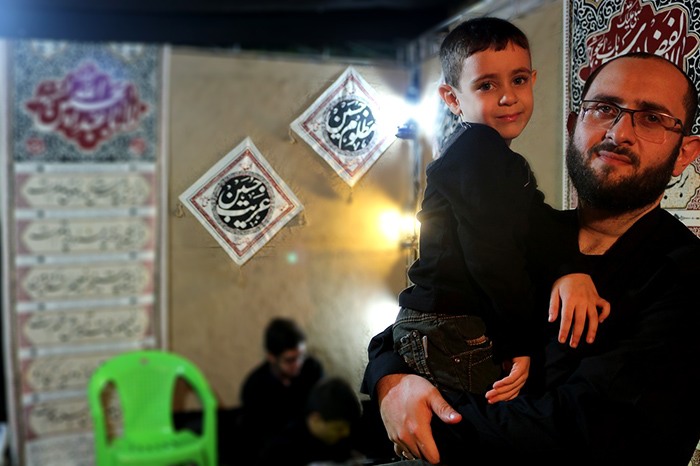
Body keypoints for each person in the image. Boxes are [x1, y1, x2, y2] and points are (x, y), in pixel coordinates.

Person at [362, 51, 700, 465]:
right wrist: (392, 386)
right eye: (604, 109)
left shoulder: (685, 275)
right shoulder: (525, 232)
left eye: (651, 118)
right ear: (575, 126)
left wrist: (427, 419)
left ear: (685, 153)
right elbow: (412, 319)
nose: (619, 132)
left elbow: (585, 431)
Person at [390, 16, 609, 409]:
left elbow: (535, 218)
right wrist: (519, 342)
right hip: (452, 325)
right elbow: (492, 254)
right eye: (487, 85)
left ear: (534, 80)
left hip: (439, 323)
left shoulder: (494, 158)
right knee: (489, 430)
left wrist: (570, 269)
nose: (508, 97)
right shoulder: (477, 153)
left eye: (519, 80)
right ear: (453, 98)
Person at [238, 317, 325, 463]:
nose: (298, 364)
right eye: (290, 360)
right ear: (271, 357)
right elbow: (256, 438)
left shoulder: (312, 369)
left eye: (301, 356)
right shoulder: (255, 386)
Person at [257, 376, 364, 466]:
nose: (346, 433)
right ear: (315, 419)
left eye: (348, 427)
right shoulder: (281, 450)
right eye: (338, 429)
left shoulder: (340, 440)